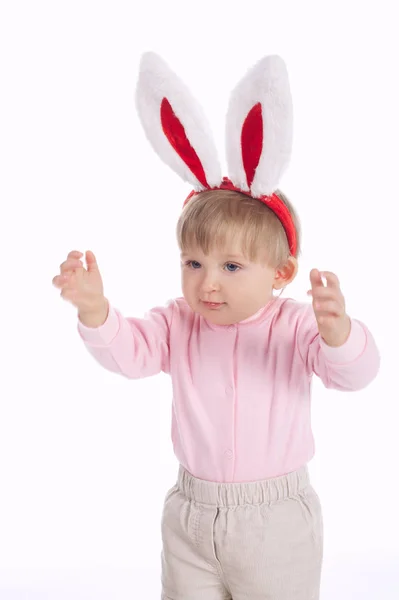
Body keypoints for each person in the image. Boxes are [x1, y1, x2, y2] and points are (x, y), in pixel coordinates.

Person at [52, 53, 380, 600]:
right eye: (193, 263)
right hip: (191, 514)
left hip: (274, 520)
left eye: (231, 267)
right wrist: (95, 311)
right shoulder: (179, 322)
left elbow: (357, 374)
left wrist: (339, 332)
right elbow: (130, 352)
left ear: (281, 273)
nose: (208, 283)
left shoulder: (295, 327)